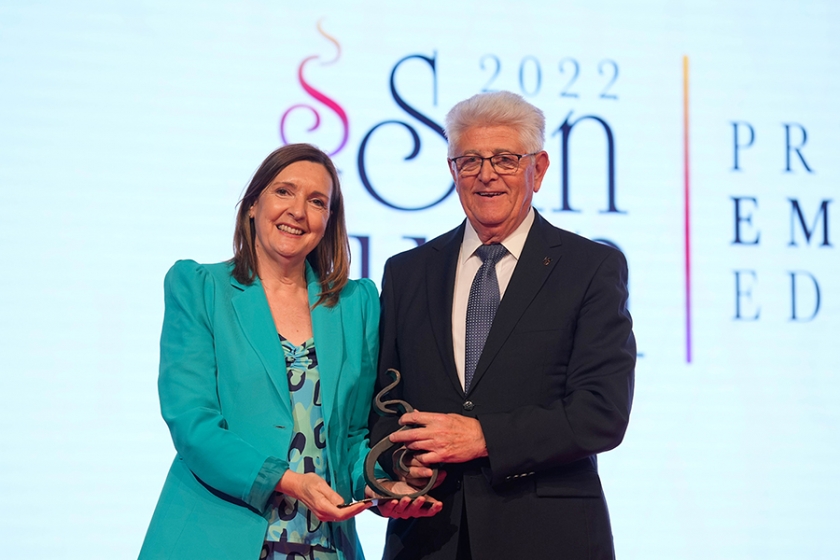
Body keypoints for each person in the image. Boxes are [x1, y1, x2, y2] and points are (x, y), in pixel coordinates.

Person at [369, 91, 636, 559]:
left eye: (507, 159)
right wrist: (399, 467)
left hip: (548, 538)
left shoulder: (589, 268)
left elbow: (601, 413)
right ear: (452, 171)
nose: (486, 174)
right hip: (428, 538)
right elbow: (385, 402)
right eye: (469, 160)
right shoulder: (406, 272)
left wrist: (484, 437)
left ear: (539, 169)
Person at [139, 144, 438, 560]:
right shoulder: (199, 288)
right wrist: (291, 482)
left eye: (317, 201)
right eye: (284, 192)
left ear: (328, 221)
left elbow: (350, 439)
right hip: (216, 540)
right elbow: (194, 426)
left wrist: (381, 485)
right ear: (252, 205)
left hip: (324, 545)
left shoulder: (356, 304)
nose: (298, 211)